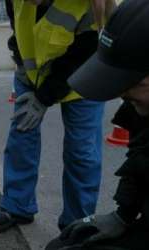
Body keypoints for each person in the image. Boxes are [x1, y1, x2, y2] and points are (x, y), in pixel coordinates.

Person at [0, 0, 111, 232]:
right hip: (32, 72)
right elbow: (18, 26)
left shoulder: (88, 5)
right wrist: (21, 63)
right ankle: (17, 205)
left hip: (83, 75)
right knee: (21, 133)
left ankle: (76, 223)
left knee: (82, 151)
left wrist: (43, 97)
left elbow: (83, 55)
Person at [46, 0, 149, 249]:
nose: (121, 94)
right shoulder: (141, 107)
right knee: (67, 243)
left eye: (129, 83)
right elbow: (140, 157)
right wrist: (123, 214)